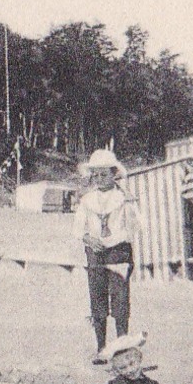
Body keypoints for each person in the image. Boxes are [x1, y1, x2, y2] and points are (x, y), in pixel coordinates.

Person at [73, 149, 139, 352]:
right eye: (96, 175)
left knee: (120, 300)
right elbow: (77, 229)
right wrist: (89, 239)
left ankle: (121, 347)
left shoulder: (124, 199)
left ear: (114, 174)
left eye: (104, 174)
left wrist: (112, 240)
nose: (100, 179)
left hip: (119, 252)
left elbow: (134, 227)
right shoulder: (87, 200)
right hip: (95, 253)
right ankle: (101, 347)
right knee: (97, 299)